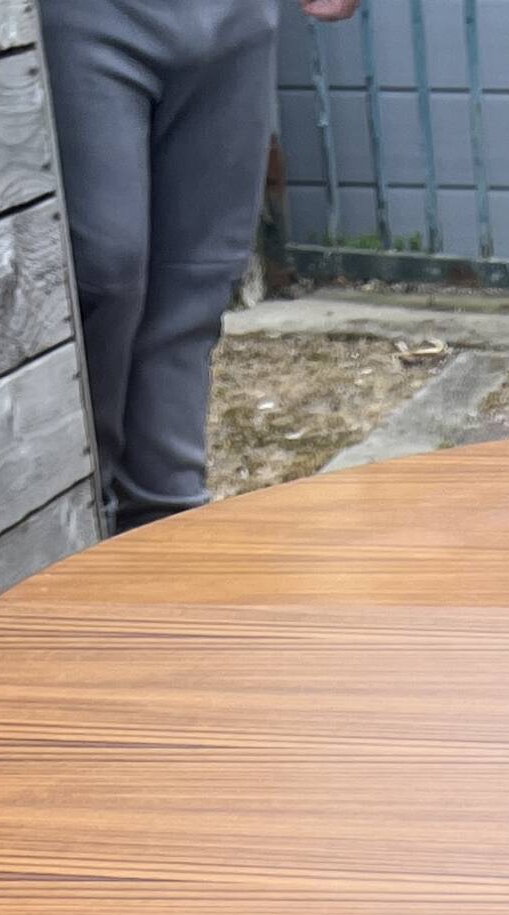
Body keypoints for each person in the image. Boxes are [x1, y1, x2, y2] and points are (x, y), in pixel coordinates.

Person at [40, 0, 362, 530]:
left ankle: (167, 522)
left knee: (198, 275)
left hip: (235, 17)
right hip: (82, 17)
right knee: (102, 272)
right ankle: (80, 524)